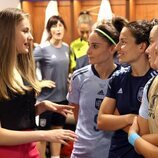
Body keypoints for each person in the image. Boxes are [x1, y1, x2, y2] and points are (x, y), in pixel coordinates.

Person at [0, 8, 77, 158]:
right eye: (25, 30)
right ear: (8, 33)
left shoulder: (20, 69)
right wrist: (43, 135)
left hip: (29, 149)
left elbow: (13, 117)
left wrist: (40, 107)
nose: (30, 37)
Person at [67, 17, 127, 158]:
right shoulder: (79, 77)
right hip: (81, 152)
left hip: (111, 153)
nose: (88, 51)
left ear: (112, 48)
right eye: (89, 45)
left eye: (95, 46)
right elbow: (78, 115)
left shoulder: (124, 78)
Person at [98, 20, 157, 158]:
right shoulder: (118, 77)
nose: (117, 47)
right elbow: (101, 120)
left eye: (123, 42)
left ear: (142, 47)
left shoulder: (154, 80)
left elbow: (145, 132)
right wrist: (131, 118)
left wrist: (117, 118)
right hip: (117, 153)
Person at [33, 15, 70, 158]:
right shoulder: (42, 49)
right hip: (46, 101)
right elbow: (27, 67)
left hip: (62, 99)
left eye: (60, 25)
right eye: (54, 26)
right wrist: (37, 83)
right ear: (49, 30)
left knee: (58, 132)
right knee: (43, 135)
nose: (58, 28)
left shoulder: (67, 48)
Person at [128, 24, 158, 158]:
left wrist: (134, 138)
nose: (147, 50)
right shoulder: (151, 85)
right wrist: (139, 140)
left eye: (151, 42)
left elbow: (139, 139)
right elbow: (143, 138)